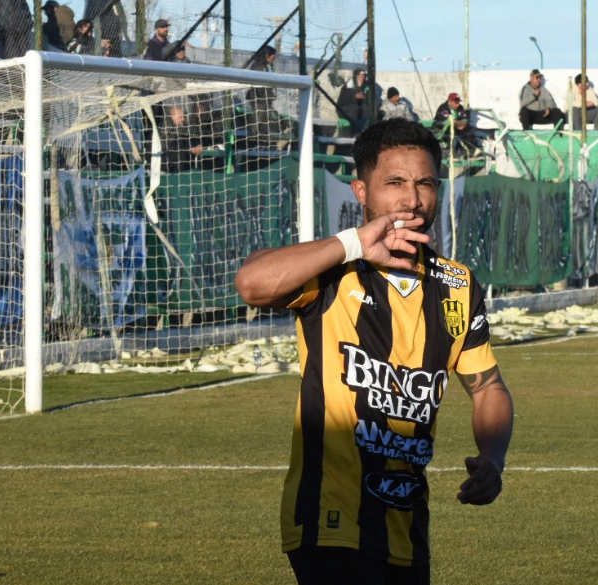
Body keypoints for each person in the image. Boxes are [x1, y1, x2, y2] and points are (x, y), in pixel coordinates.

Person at [235, 118, 514, 585]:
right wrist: (351, 244)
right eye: (395, 183)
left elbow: (488, 387)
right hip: (329, 521)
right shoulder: (334, 269)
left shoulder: (457, 284)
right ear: (361, 191)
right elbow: (251, 283)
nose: (412, 199)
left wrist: (493, 457)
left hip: (407, 527)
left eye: (425, 183)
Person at [245, 45, 279, 143]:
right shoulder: (258, 65)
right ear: (266, 55)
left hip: (266, 97)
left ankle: (264, 138)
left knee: (267, 118)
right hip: (258, 97)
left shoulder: (268, 66)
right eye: (272, 56)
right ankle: (253, 139)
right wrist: (263, 95)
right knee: (258, 117)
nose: (273, 58)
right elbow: (257, 83)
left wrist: (270, 95)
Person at [162, 105, 203, 173]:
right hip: (164, 158)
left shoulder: (181, 128)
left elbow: (187, 140)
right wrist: (189, 149)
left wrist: (196, 146)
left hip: (177, 156)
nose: (183, 119)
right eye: (180, 117)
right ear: (173, 117)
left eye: (184, 117)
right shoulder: (166, 128)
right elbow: (171, 146)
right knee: (180, 154)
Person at [337, 68, 370, 135]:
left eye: (364, 76)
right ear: (356, 76)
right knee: (354, 108)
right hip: (346, 109)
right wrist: (354, 96)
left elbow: (370, 99)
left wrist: (364, 97)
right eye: (361, 76)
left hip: (361, 110)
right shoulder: (348, 85)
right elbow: (344, 100)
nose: (363, 78)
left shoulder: (367, 86)